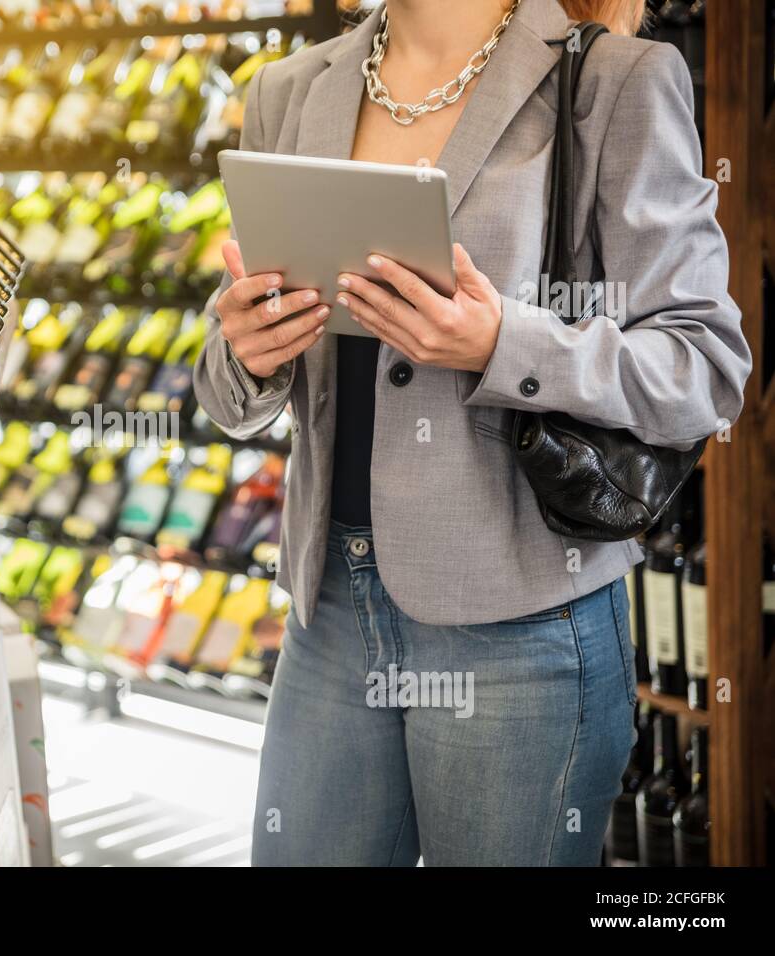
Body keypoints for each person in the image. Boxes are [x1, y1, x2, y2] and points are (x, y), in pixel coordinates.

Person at [193, 0, 750, 865]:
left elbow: (705, 369)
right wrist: (248, 353)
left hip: (522, 626)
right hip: (330, 615)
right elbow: (231, 396)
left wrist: (503, 343)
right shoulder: (291, 92)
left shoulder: (612, 83)